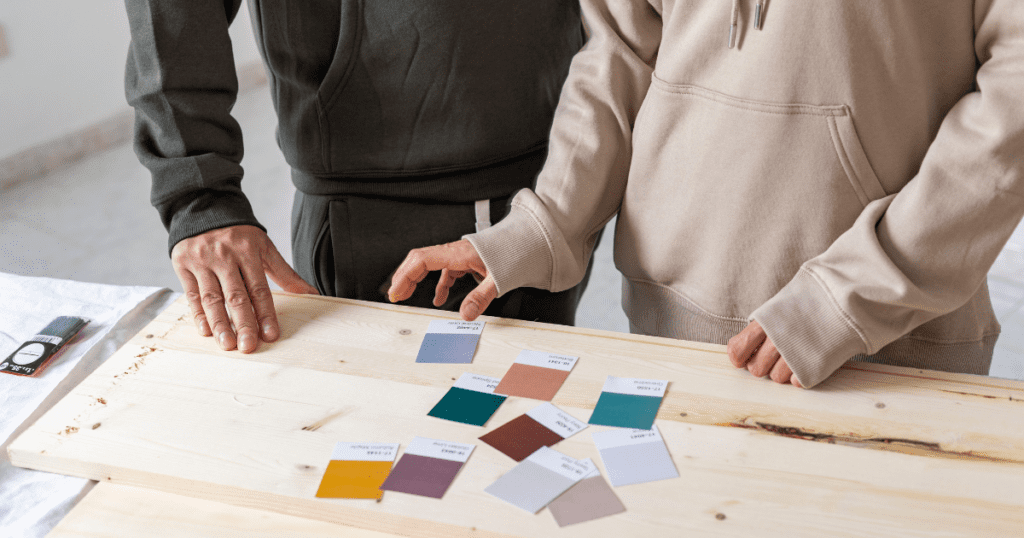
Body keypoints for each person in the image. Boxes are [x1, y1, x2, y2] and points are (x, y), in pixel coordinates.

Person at [388, 0, 1024, 389]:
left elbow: (1014, 103)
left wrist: (852, 293)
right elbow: (622, 48)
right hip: (671, 326)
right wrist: (547, 222)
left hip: (884, 343)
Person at [124, 0, 596, 354]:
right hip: (369, 209)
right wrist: (199, 196)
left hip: (549, 181)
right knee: (376, 452)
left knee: (534, 441)